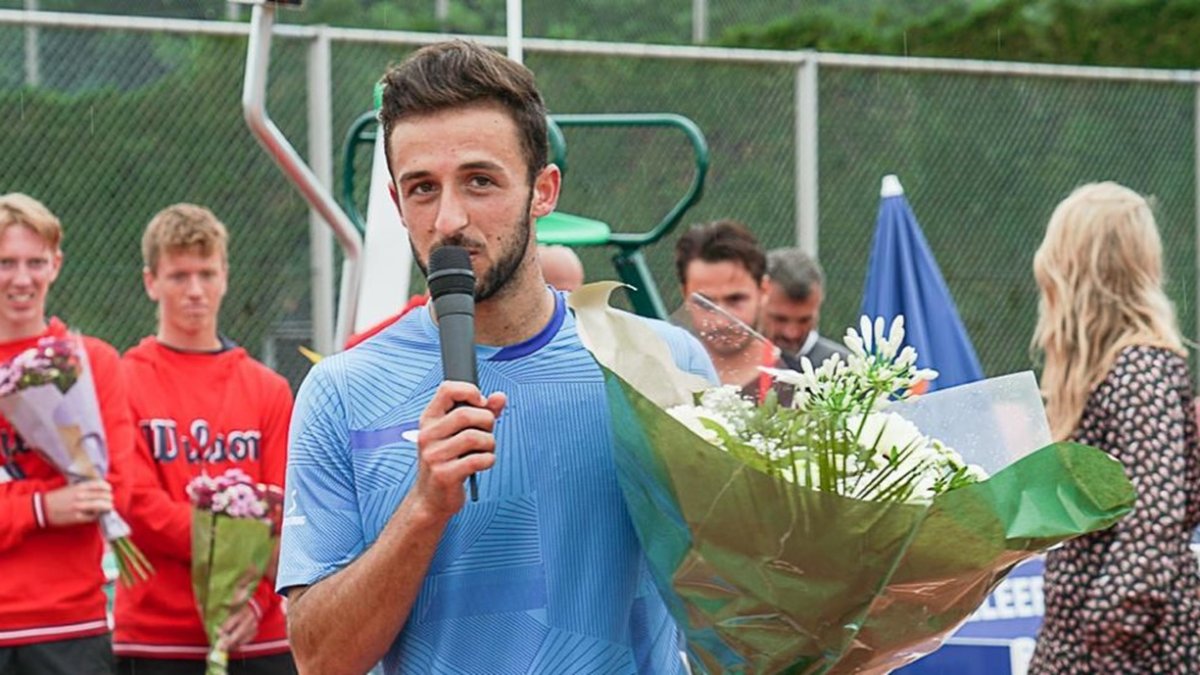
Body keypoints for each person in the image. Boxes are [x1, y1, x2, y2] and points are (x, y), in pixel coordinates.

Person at [277, 40, 716, 675]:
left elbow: (737, 599)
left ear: (544, 191)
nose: (450, 219)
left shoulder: (658, 362)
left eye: (480, 181)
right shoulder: (339, 391)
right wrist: (423, 508)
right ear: (398, 206)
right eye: (422, 188)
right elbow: (319, 658)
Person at [113, 204, 295, 674]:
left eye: (206, 273)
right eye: (178, 276)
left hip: (257, 632)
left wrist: (255, 601)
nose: (195, 290)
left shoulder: (269, 390)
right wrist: (232, 546)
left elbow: (286, 509)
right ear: (151, 281)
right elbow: (136, 504)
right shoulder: (123, 381)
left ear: (225, 277)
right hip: (159, 635)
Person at [1028, 182, 1200, 672]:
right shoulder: (1111, 371)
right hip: (1088, 637)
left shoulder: (1138, 369)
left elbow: (1155, 515)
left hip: (1125, 653)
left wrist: (1104, 631)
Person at [0, 193, 134, 675]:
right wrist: (41, 507)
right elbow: (69, 500)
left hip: (70, 626)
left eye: (35, 262)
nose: (21, 278)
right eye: (5, 262)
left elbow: (116, 487)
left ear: (55, 265)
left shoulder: (91, 361)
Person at [673, 219, 787, 403]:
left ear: (764, 291)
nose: (721, 321)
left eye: (736, 299)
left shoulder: (797, 388)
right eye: (705, 303)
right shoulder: (662, 375)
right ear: (685, 294)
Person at [763, 248, 847, 371]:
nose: (791, 333)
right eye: (780, 319)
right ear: (757, 299)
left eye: (804, 320)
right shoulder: (730, 365)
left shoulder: (845, 371)